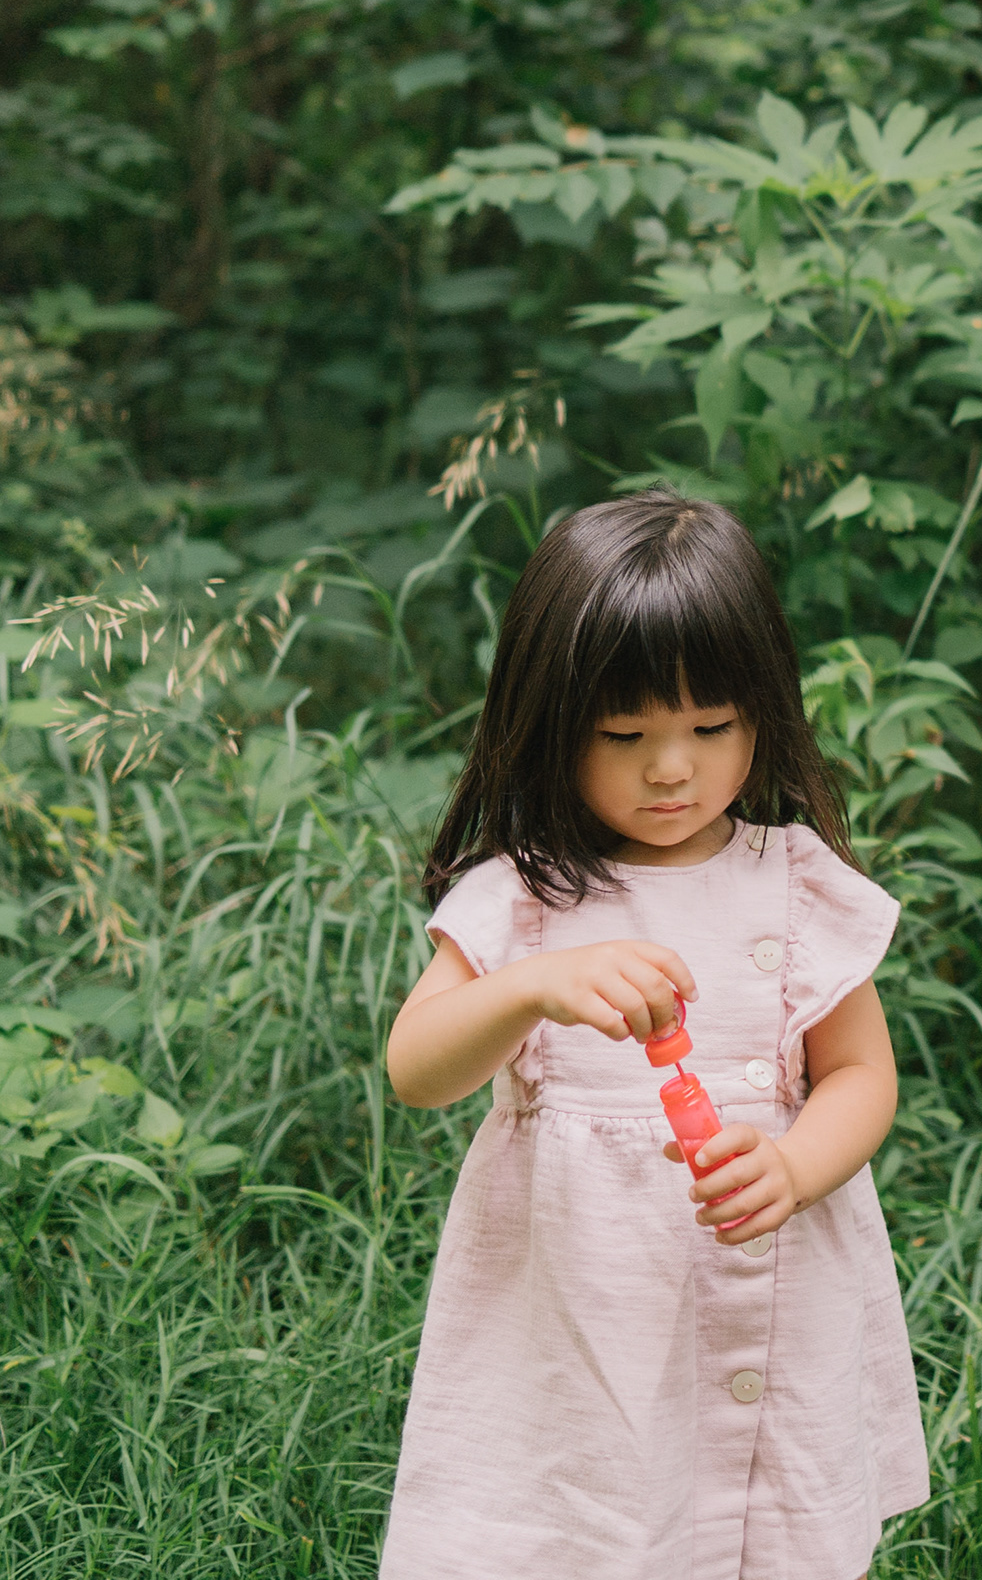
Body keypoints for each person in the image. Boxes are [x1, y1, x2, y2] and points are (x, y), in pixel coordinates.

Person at [380, 489, 926, 1580]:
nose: (671, 767)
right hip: (578, 1306)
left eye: (711, 728)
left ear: (763, 713)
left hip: (772, 1276)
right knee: (582, 1526)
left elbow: (862, 1074)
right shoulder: (526, 895)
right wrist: (530, 987)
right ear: (549, 725)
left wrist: (795, 1166)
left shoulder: (795, 881)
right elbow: (417, 1068)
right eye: (624, 735)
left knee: (765, 1532)